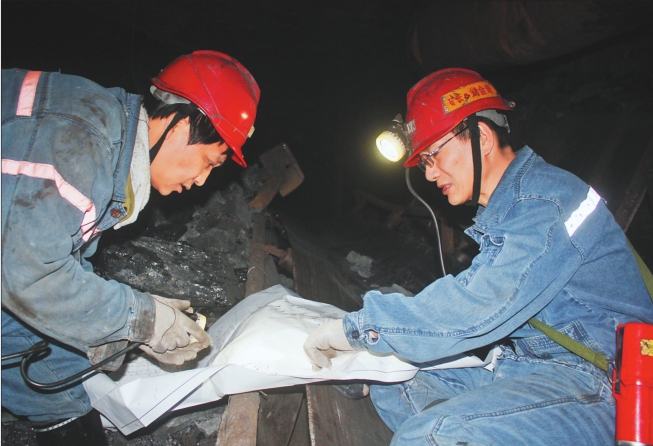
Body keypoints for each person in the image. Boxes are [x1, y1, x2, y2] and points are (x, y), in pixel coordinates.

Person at [304, 68, 653, 445]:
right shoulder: (508, 209)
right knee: (393, 385)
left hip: (603, 384)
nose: (430, 174)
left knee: (431, 436)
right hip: (530, 366)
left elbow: (478, 305)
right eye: (423, 163)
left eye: (433, 155)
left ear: (481, 138)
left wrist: (357, 329)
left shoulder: (543, 202)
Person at [1, 50, 260, 444]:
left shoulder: (107, 139)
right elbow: (29, 274)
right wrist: (142, 319)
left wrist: (132, 327)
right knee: (56, 384)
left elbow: (67, 265)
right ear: (180, 124)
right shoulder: (79, 146)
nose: (203, 180)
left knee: (64, 376)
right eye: (208, 161)